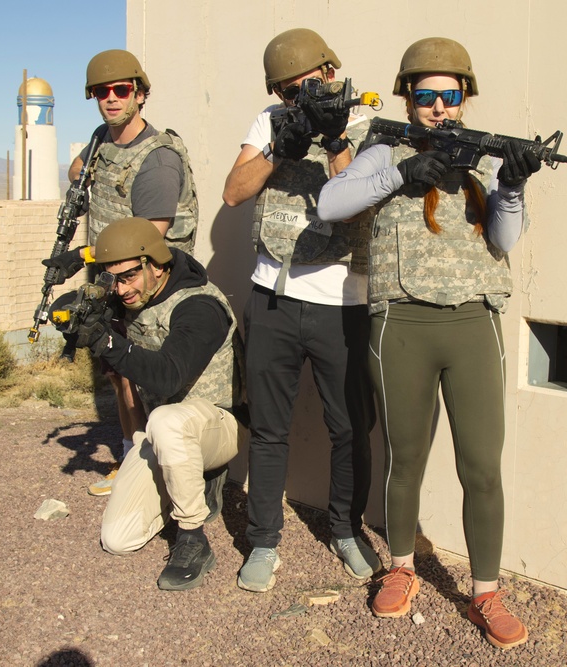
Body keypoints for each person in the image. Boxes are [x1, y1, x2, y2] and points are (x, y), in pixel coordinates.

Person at [317, 37, 541, 649]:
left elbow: (505, 237)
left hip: (472, 321)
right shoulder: (382, 147)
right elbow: (331, 202)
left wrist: (513, 187)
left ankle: (486, 591)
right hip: (401, 324)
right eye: (425, 95)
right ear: (407, 98)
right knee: (405, 459)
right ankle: (402, 568)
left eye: (450, 94)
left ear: (465, 97)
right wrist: (401, 171)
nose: (438, 107)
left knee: (482, 467)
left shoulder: (487, 156)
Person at [221, 28, 380, 592]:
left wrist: (333, 135)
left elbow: (355, 198)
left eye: (308, 86)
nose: (300, 99)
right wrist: (278, 145)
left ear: (331, 74)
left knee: (349, 428)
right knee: (268, 429)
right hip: (273, 296)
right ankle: (263, 542)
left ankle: (345, 530)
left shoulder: (364, 123)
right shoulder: (270, 121)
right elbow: (235, 191)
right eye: (289, 92)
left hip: (341, 301)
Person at [63, 217, 241, 591]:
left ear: (156, 265)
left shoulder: (199, 305)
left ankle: (193, 536)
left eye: (128, 276)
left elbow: (167, 377)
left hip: (219, 426)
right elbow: (130, 389)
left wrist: (108, 342)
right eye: (112, 279)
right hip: (162, 434)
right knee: (118, 538)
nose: (120, 289)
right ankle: (185, 483)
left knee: (167, 419)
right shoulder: (132, 299)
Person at [69, 49, 199, 497]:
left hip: (145, 281)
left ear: (140, 94)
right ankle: (130, 456)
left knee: (141, 373)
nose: (110, 99)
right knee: (115, 370)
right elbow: (77, 172)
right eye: (100, 92)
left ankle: (154, 471)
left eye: (121, 90)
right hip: (109, 276)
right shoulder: (102, 139)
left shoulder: (157, 160)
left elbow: (151, 238)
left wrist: (84, 258)